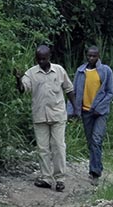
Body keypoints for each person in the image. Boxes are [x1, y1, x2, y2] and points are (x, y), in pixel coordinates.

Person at [17, 45, 75, 191]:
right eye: (39, 59)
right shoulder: (30, 73)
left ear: (49, 57)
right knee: (42, 148)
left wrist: (75, 108)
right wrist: (18, 80)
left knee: (59, 146)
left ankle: (60, 178)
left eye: (44, 59)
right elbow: (23, 89)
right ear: (36, 59)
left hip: (58, 114)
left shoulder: (59, 70)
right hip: (40, 115)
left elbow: (69, 89)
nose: (41, 61)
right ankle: (46, 178)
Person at [69, 46, 113, 181]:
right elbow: (74, 92)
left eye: (94, 56)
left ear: (98, 56)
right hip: (86, 111)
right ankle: (96, 167)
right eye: (89, 56)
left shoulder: (105, 71)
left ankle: (95, 172)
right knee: (91, 142)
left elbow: (110, 92)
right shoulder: (81, 71)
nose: (91, 58)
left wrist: (99, 107)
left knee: (96, 139)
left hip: (100, 112)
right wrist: (72, 111)